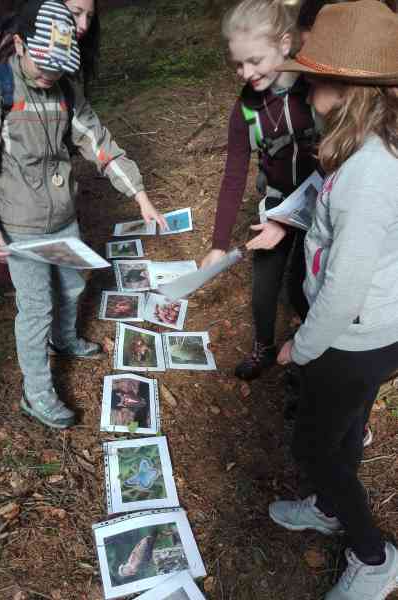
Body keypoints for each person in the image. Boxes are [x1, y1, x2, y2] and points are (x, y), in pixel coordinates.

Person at [0, 0, 166, 430]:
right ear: (19, 44)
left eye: (59, 66)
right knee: (35, 309)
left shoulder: (65, 90)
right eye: (44, 65)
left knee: (71, 285)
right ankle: (36, 392)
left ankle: (65, 340)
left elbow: (98, 143)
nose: (50, 75)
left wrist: (139, 193)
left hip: (63, 217)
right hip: (20, 227)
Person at [267, 2, 398, 598]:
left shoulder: (370, 173)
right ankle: (327, 506)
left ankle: (373, 557)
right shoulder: (368, 147)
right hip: (375, 329)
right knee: (344, 426)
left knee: (315, 447)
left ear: (347, 89)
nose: (304, 87)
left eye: (313, 77)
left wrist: (301, 346)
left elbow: (344, 288)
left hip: (353, 338)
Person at [201, 0, 318, 382]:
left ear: (284, 44)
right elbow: (234, 175)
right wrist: (219, 245)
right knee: (264, 288)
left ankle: (309, 353)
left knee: (305, 286)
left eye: (254, 61)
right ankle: (263, 347)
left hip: (322, 203)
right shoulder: (246, 109)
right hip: (276, 202)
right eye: (238, 64)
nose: (246, 73)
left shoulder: (317, 90)